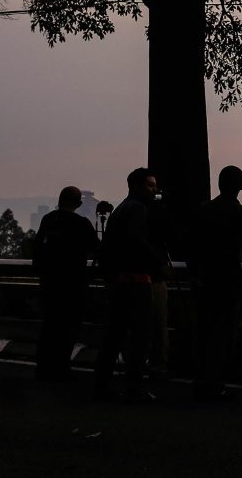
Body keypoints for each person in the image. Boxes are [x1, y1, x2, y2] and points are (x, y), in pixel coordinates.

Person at [94, 167, 164, 402]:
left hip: (119, 281)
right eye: (150, 185)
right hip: (137, 281)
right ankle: (134, 387)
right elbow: (137, 241)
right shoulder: (138, 209)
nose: (154, 190)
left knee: (114, 335)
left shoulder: (121, 209)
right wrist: (156, 258)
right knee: (140, 336)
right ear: (136, 186)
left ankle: (102, 384)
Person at [190, 165, 242, 401]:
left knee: (204, 331)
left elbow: (193, 246)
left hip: (205, 279)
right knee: (224, 334)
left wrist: (196, 274)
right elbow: (236, 247)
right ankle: (216, 383)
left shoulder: (204, 210)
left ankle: (200, 380)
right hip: (228, 281)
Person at [32, 186, 99, 382]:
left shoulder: (49, 220)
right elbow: (95, 248)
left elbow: (37, 247)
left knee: (50, 326)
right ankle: (61, 368)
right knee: (68, 328)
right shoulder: (81, 223)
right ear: (78, 204)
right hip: (73, 285)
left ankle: (43, 368)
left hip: (50, 283)